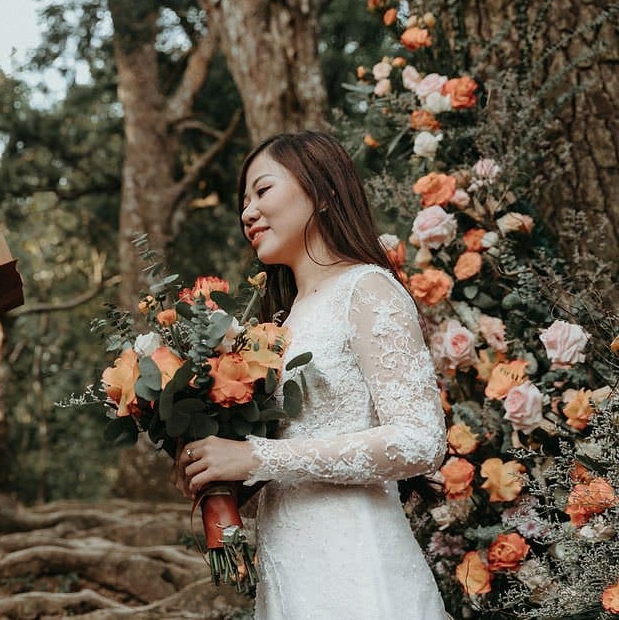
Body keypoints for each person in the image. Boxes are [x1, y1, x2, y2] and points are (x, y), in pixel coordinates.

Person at [174, 131, 449, 618]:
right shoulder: (281, 323)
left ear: (321, 193)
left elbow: (420, 440)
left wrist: (256, 457)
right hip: (290, 564)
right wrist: (221, 472)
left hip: (357, 562)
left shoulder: (367, 289)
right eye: (244, 202)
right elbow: (287, 451)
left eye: (262, 191)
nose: (247, 214)